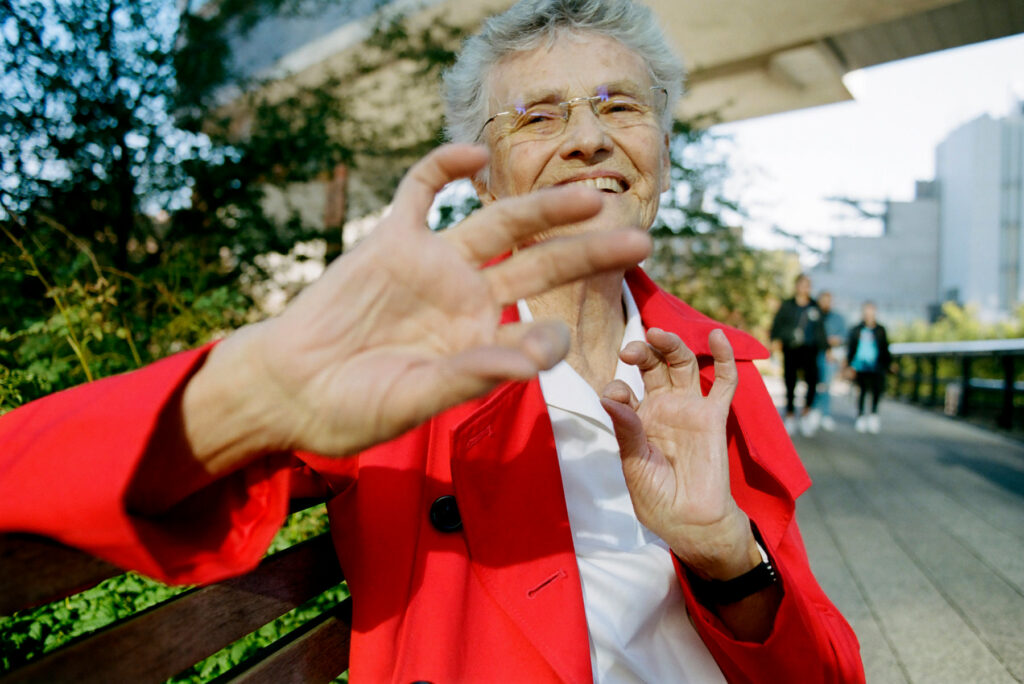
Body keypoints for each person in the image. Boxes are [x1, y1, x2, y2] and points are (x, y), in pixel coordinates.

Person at [2, 2, 864, 682]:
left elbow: (825, 673)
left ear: (661, 149)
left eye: (620, 106)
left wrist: (727, 557)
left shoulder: (718, 370)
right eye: (537, 117)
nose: (589, 137)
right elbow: (24, 468)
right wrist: (253, 386)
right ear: (481, 174)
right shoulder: (408, 368)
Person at [770, 274, 827, 437]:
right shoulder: (787, 305)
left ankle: (806, 413)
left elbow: (821, 330)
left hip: (810, 349)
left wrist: (826, 348)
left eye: (807, 285)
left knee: (812, 381)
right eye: (802, 284)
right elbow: (777, 324)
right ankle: (789, 414)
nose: (804, 288)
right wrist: (776, 340)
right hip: (791, 348)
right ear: (796, 286)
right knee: (790, 381)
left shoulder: (815, 306)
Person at [847, 300, 892, 434]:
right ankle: (860, 415)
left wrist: (889, 364)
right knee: (862, 391)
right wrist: (850, 365)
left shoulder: (880, 330)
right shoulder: (856, 330)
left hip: (876, 365)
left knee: (877, 390)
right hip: (860, 365)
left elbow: (885, 348)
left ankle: (873, 415)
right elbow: (851, 349)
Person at [813, 291, 846, 431]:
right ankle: (813, 411)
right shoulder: (814, 315)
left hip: (830, 355)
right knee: (814, 383)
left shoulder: (838, 318)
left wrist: (835, 341)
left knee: (825, 384)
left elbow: (844, 336)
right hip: (814, 353)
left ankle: (823, 413)